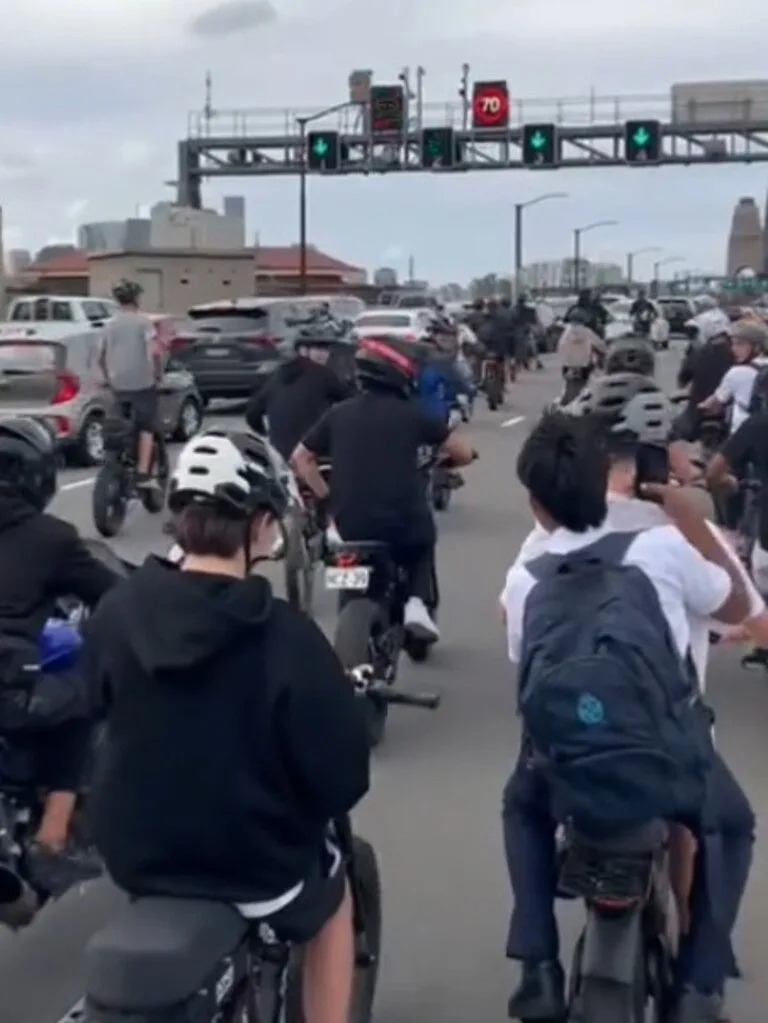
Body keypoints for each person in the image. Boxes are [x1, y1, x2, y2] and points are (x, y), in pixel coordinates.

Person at [84, 429, 370, 1023]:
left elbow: (95, 712)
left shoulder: (118, 612)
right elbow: (342, 778)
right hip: (253, 864)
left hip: (139, 854)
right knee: (336, 895)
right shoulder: (287, 637)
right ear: (258, 524)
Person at [500, 411, 752, 1023]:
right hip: (665, 755)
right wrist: (692, 521)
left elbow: (524, 663)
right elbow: (739, 605)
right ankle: (698, 984)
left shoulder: (526, 575)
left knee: (521, 807)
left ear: (537, 503)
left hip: (562, 762)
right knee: (730, 825)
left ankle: (537, 967)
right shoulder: (662, 546)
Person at [0, 418, 118, 901]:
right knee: (84, 691)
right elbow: (114, 593)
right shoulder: (50, 537)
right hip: (8, 682)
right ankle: (53, 834)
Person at [292, 337, 475, 643]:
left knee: (345, 558)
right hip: (401, 522)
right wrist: (449, 459)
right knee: (423, 540)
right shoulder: (415, 414)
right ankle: (417, 603)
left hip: (348, 522)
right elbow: (464, 453)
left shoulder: (339, 413)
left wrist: (326, 496)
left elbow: (301, 458)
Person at [245, 332, 352, 462]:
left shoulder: (275, 377)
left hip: (281, 455)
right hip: (314, 455)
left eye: (326, 350)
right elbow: (352, 402)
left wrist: (267, 434)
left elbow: (252, 415)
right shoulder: (323, 375)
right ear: (303, 351)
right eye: (318, 349)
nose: (324, 354)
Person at [99, 279, 162, 492]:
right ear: (136, 300)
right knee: (146, 426)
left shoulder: (109, 325)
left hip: (118, 383)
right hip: (142, 382)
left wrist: (108, 379)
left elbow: (100, 356)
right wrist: (157, 373)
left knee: (118, 420)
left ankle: (118, 455)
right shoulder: (143, 322)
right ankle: (143, 473)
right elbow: (154, 352)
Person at [698, 318, 768, 436]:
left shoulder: (737, 372)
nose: (734, 349)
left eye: (740, 344)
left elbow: (713, 403)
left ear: (756, 347)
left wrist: (701, 406)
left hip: (744, 439)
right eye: (733, 344)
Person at [555, 307, 605, 404]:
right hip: (584, 365)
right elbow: (600, 345)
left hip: (568, 365)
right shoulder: (587, 332)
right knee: (585, 385)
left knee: (568, 385)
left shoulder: (566, 332)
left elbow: (559, 348)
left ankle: (565, 403)